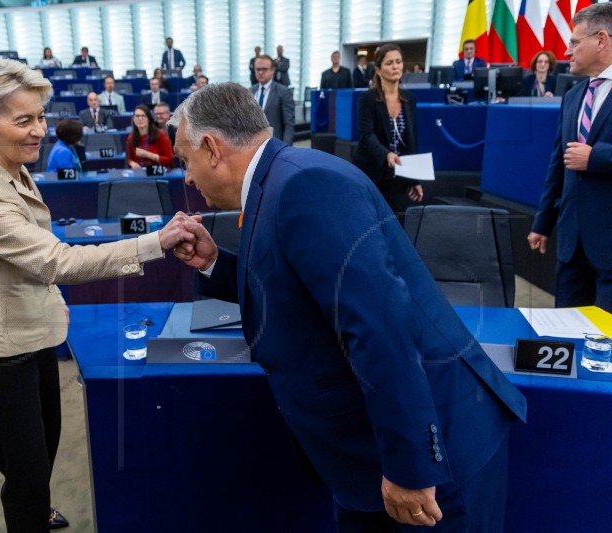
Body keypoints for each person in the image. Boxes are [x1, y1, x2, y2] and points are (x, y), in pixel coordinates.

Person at [169, 81, 527, 533]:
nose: (186, 177)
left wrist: (410, 466)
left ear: (211, 147)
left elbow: (380, 327)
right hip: (364, 463)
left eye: (186, 161)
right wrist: (216, 263)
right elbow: (293, 286)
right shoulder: (278, 179)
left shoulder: (304, 185)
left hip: (434, 463)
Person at [0, 55, 199, 533]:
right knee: (25, 474)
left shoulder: (5, 165)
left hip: (34, 334)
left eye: (39, 116)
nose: (39, 130)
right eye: (23, 120)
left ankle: (38, 507)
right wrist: (156, 242)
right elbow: (58, 261)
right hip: (0, 356)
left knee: (44, 448)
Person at [528, 4, 612, 312]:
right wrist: (542, 222)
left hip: (609, 248)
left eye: (575, 42)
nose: (566, 51)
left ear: (601, 40)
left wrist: (597, 157)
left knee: (606, 348)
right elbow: (558, 165)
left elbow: (585, 158)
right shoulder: (573, 96)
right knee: (565, 336)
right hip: (571, 243)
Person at [352, 44, 423, 219]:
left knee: (396, 224)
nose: (395, 66)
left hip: (397, 176)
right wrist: (386, 155)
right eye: (389, 63)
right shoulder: (368, 99)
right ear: (378, 69)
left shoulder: (409, 100)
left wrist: (414, 179)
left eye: (398, 62)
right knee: (369, 223)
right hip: (371, 171)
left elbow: (411, 140)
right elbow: (367, 135)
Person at [251, 54, 294, 145]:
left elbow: (289, 124)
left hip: (275, 145)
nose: (260, 72)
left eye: (264, 69)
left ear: (272, 70)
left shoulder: (284, 92)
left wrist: (285, 149)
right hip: (253, 146)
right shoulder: (249, 92)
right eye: (258, 69)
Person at [126, 104, 173, 170]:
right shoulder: (131, 138)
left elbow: (170, 160)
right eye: (137, 116)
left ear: (149, 119)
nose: (140, 119)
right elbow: (129, 159)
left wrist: (148, 155)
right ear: (133, 119)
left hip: (158, 173)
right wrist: (132, 163)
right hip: (140, 174)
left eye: (143, 116)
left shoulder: (160, 135)